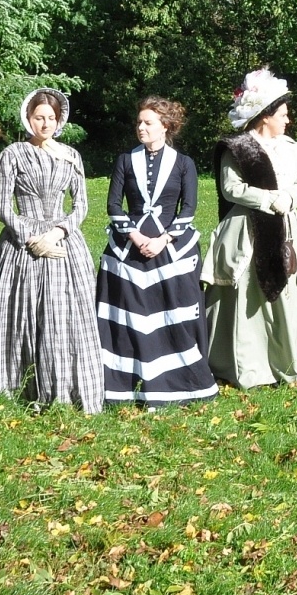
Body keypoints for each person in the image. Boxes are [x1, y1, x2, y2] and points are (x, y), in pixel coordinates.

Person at [0, 88, 103, 413]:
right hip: (22, 243)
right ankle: (17, 387)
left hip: (63, 241)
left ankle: (64, 387)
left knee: (63, 314)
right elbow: (2, 203)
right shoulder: (14, 153)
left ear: (59, 119)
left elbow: (81, 204)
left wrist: (58, 231)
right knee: (20, 312)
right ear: (29, 118)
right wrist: (29, 234)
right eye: (39, 117)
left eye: (51, 118)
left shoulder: (70, 155)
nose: (45, 123)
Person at [96, 97, 216, 406]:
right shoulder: (125, 160)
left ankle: (179, 380)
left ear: (166, 126)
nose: (141, 127)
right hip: (130, 245)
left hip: (169, 247)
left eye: (148, 122)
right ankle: (124, 381)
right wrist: (134, 236)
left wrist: (163, 240)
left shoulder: (184, 163)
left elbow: (188, 208)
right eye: (139, 122)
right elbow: (112, 205)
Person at [203, 70, 297, 388]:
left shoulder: (293, 147)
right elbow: (230, 188)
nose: (288, 119)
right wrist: (269, 199)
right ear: (265, 116)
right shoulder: (237, 148)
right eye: (282, 114)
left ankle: (286, 362)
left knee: (288, 293)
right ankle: (249, 366)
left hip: (287, 226)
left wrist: (290, 198)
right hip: (248, 230)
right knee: (248, 297)